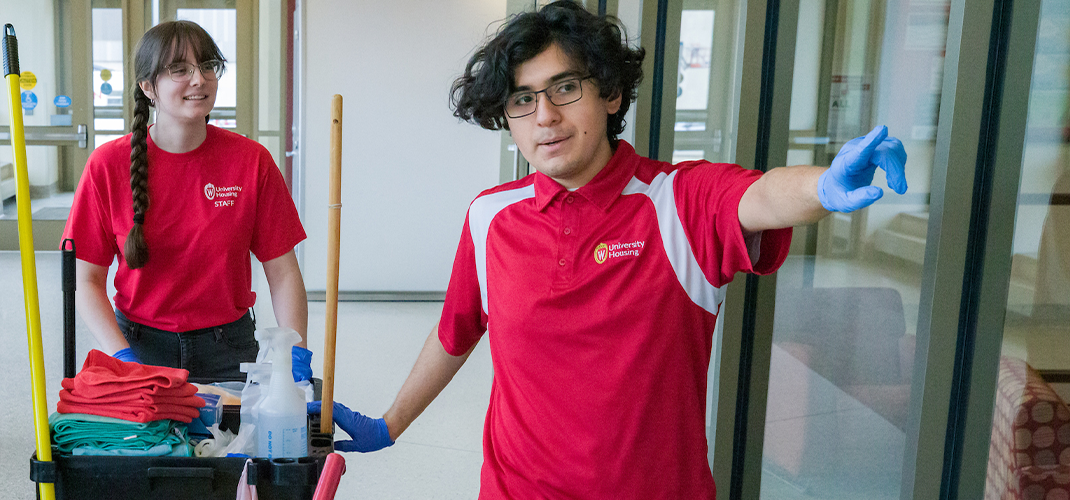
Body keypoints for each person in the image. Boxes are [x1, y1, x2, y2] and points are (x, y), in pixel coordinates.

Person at [315, 2, 907, 498]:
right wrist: (392, 422)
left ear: (612, 94)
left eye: (564, 89)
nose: (544, 116)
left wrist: (823, 187)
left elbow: (760, 197)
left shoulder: (678, 203)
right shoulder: (490, 215)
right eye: (522, 100)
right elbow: (457, 331)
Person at [65, 20, 313, 381]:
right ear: (148, 87)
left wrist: (296, 355)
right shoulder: (107, 165)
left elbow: (284, 273)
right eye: (180, 69)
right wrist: (122, 355)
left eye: (208, 66)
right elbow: (85, 279)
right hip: (139, 348)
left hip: (230, 348)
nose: (199, 79)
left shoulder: (251, 161)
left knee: (241, 439)